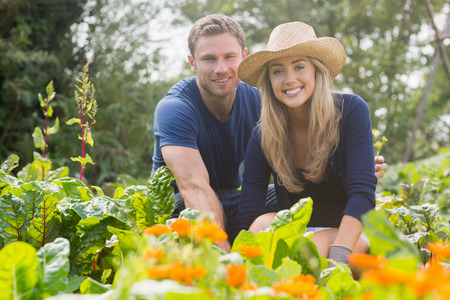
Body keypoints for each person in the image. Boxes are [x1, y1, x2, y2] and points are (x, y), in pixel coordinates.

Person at [151, 15, 387, 252]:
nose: (221, 68)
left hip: (244, 201)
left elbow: (360, 191)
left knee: (305, 220)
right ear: (192, 63)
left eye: (229, 57)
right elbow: (194, 187)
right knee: (259, 223)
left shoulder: (262, 102)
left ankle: (335, 246)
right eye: (209, 59)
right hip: (187, 203)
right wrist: (228, 257)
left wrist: (356, 171)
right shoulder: (178, 109)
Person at [235, 21, 377, 266]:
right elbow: (248, 214)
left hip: (350, 234)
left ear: (316, 71)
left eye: (299, 66)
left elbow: (363, 194)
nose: (289, 79)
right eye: (278, 71)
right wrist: (235, 262)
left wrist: (340, 255)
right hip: (301, 235)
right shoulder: (263, 135)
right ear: (269, 80)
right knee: (260, 225)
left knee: (314, 248)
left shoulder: (351, 110)